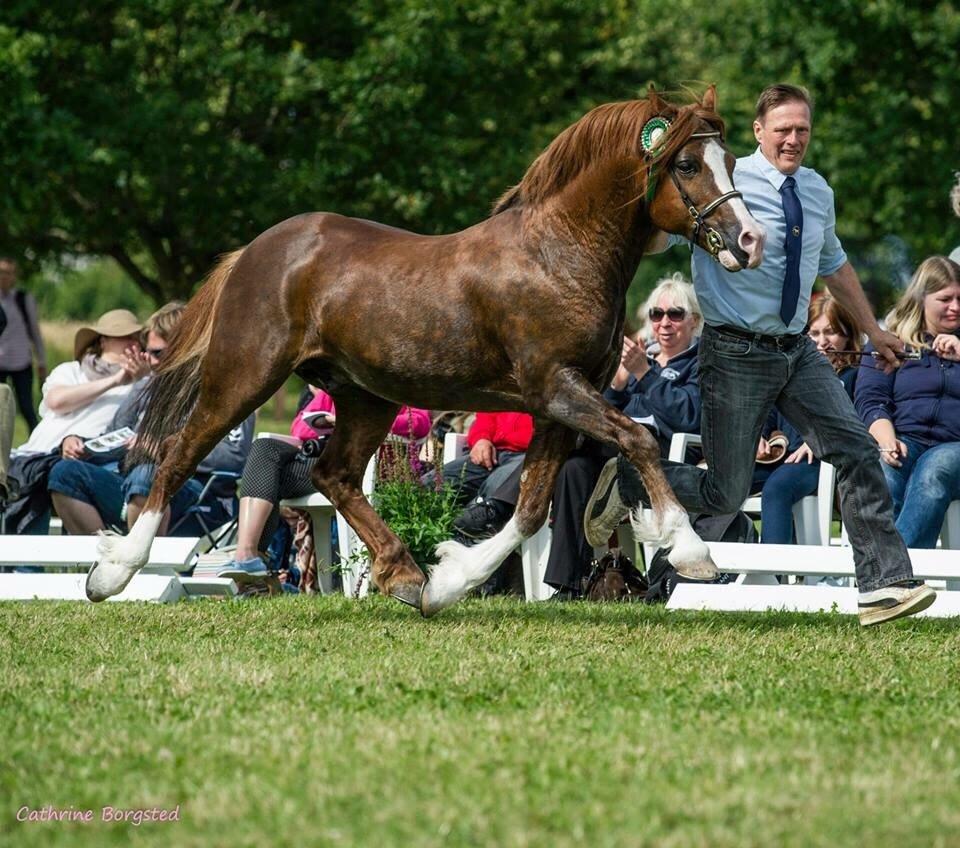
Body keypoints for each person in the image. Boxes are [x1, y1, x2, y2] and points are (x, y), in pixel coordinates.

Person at [585, 83, 935, 626]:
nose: (793, 140)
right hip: (734, 353)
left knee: (856, 449)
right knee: (723, 492)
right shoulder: (724, 180)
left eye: (802, 130)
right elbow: (660, 232)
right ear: (758, 132)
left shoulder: (818, 191)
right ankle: (632, 478)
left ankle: (883, 586)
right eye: (783, 130)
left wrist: (872, 330)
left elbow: (834, 264)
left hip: (797, 351)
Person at [543, 273, 703, 597]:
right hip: (613, 447)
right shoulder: (637, 360)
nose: (665, 323)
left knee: (597, 451)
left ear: (694, 321)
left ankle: (604, 487)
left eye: (675, 314)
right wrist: (617, 384)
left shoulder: (698, 363)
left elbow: (687, 417)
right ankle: (569, 584)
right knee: (573, 468)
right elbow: (605, 413)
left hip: (658, 454)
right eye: (657, 315)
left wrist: (645, 374)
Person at [47, 302, 254, 537]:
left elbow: (235, 457)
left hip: (200, 494)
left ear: (186, 346)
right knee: (64, 473)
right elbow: (116, 435)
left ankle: (139, 567)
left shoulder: (227, 391)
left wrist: (164, 449)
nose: (150, 361)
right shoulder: (146, 386)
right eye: (147, 352)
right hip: (133, 487)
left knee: (147, 473)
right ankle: (106, 562)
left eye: (158, 353)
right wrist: (81, 445)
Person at [217, 388, 430, 583]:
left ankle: (256, 569)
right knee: (264, 449)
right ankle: (247, 555)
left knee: (268, 475)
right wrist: (329, 423)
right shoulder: (340, 382)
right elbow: (299, 427)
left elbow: (419, 423)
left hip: (366, 471)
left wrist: (358, 423)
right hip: (324, 468)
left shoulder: (397, 385)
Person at [2, 309, 149, 535]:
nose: (133, 343)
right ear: (104, 340)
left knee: (54, 474)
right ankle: (18, 566)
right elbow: (57, 400)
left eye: (136, 338)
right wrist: (116, 380)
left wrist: (138, 381)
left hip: (83, 461)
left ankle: (26, 569)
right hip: (31, 455)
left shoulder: (141, 385)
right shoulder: (71, 370)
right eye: (125, 337)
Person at [854, 256, 960, 549]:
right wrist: (887, 440)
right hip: (903, 438)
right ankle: (884, 575)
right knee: (884, 477)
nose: (956, 307)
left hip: (955, 446)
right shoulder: (891, 341)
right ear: (922, 298)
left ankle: (894, 576)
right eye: (946, 299)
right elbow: (870, 397)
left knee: (934, 470)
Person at [751, 294, 863, 544]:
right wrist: (759, 434)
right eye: (814, 333)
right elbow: (769, 411)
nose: (822, 342)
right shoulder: (792, 372)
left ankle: (771, 576)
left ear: (847, 334)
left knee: (778, 488)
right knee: (726, 482)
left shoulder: (855, 376)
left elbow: (857, 421)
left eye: (831, 332)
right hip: (779, 458)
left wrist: (819, 439)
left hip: (821, 463)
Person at [436, 411, 534, 541]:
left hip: (530, 455)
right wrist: (481, 438)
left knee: (493, 494)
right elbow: (486, 415)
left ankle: (464, 541)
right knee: (431, 484)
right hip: (492, 450)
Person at [0, 257, 47, 432]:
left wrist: (41, 360)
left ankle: (37, 445)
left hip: (21, 361)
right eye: (2, 272)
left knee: (26, 407)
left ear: (14, 277)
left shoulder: (22, 299)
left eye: (9, 273)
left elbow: (35, 332)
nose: (4, 277)